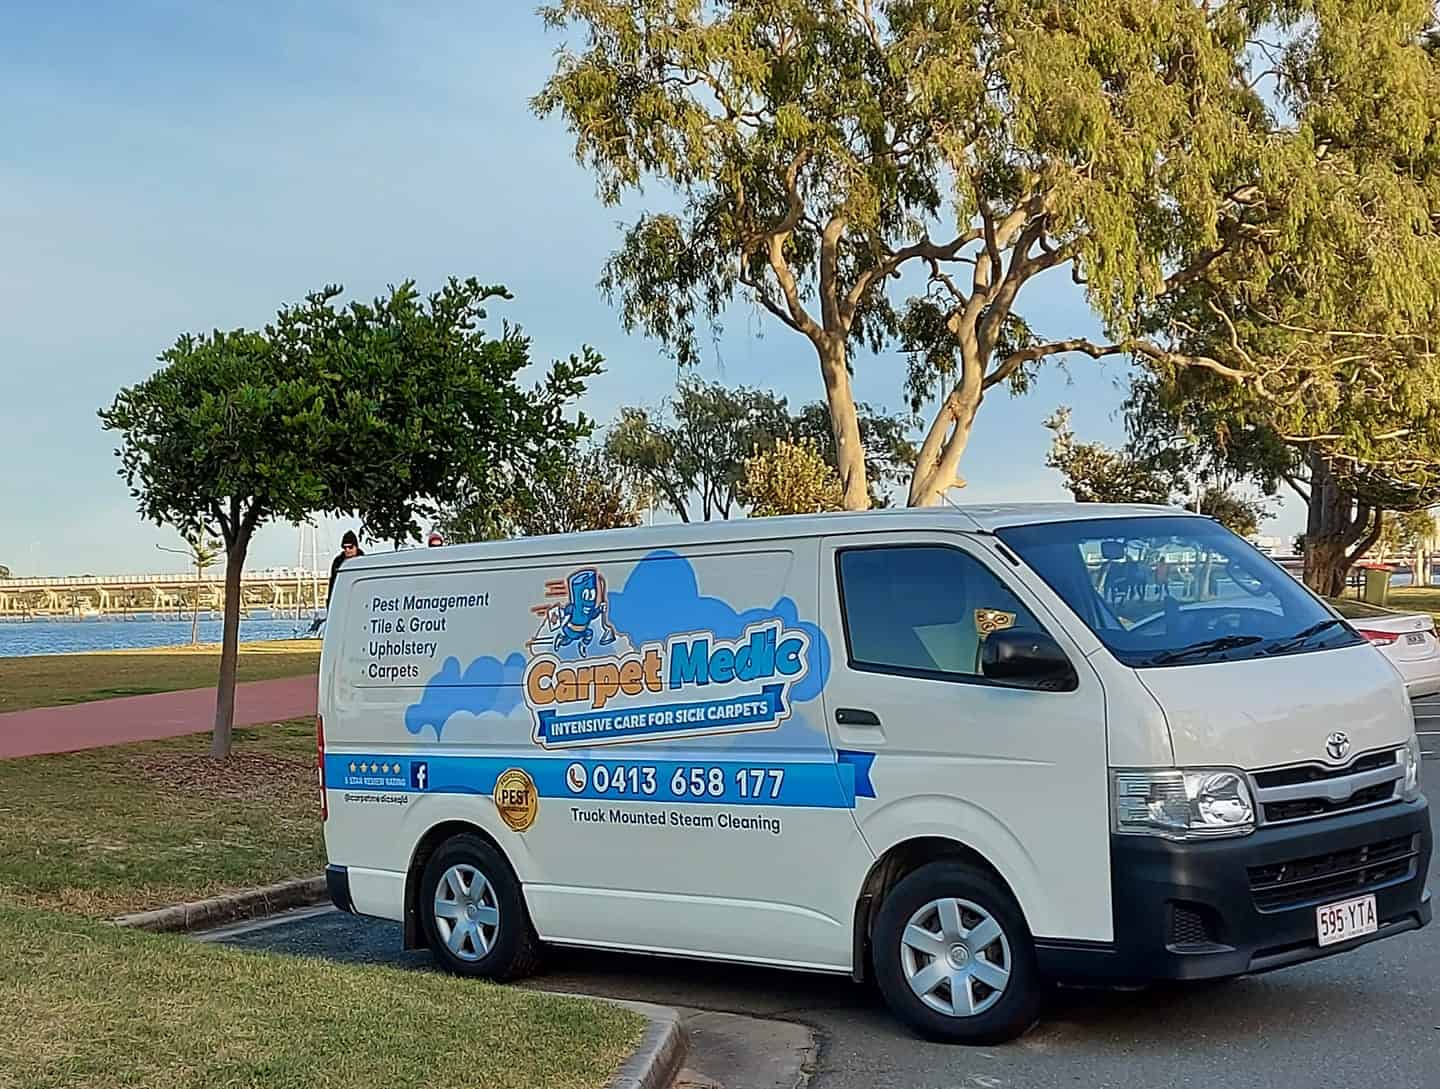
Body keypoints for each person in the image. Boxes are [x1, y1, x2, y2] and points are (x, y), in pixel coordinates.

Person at [328, 531, 363, 606]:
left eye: (350, 547)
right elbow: (333, 584)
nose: (347, 550)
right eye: (344, 547)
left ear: (356, 547)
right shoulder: (338, 562)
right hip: (342, 600)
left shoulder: (363, 561)